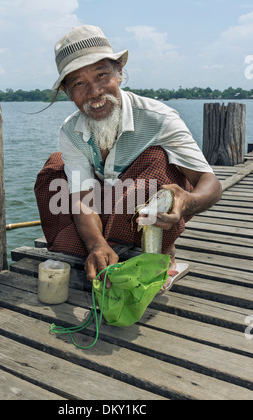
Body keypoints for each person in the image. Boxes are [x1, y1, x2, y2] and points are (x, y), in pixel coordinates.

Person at [35, 25, 222, 292]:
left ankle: (160, 249)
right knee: (54, 169)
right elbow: (81, 197)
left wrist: (187, 202)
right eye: (79, 83)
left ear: (119, 73)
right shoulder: (70, 131)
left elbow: (209, 182)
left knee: (157, 158)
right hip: (106, 207)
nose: (95, 92)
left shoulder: (159, 118)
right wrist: (97, 245)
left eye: (102, 75)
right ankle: (111, 246)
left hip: (142, 211)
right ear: (67, 92)